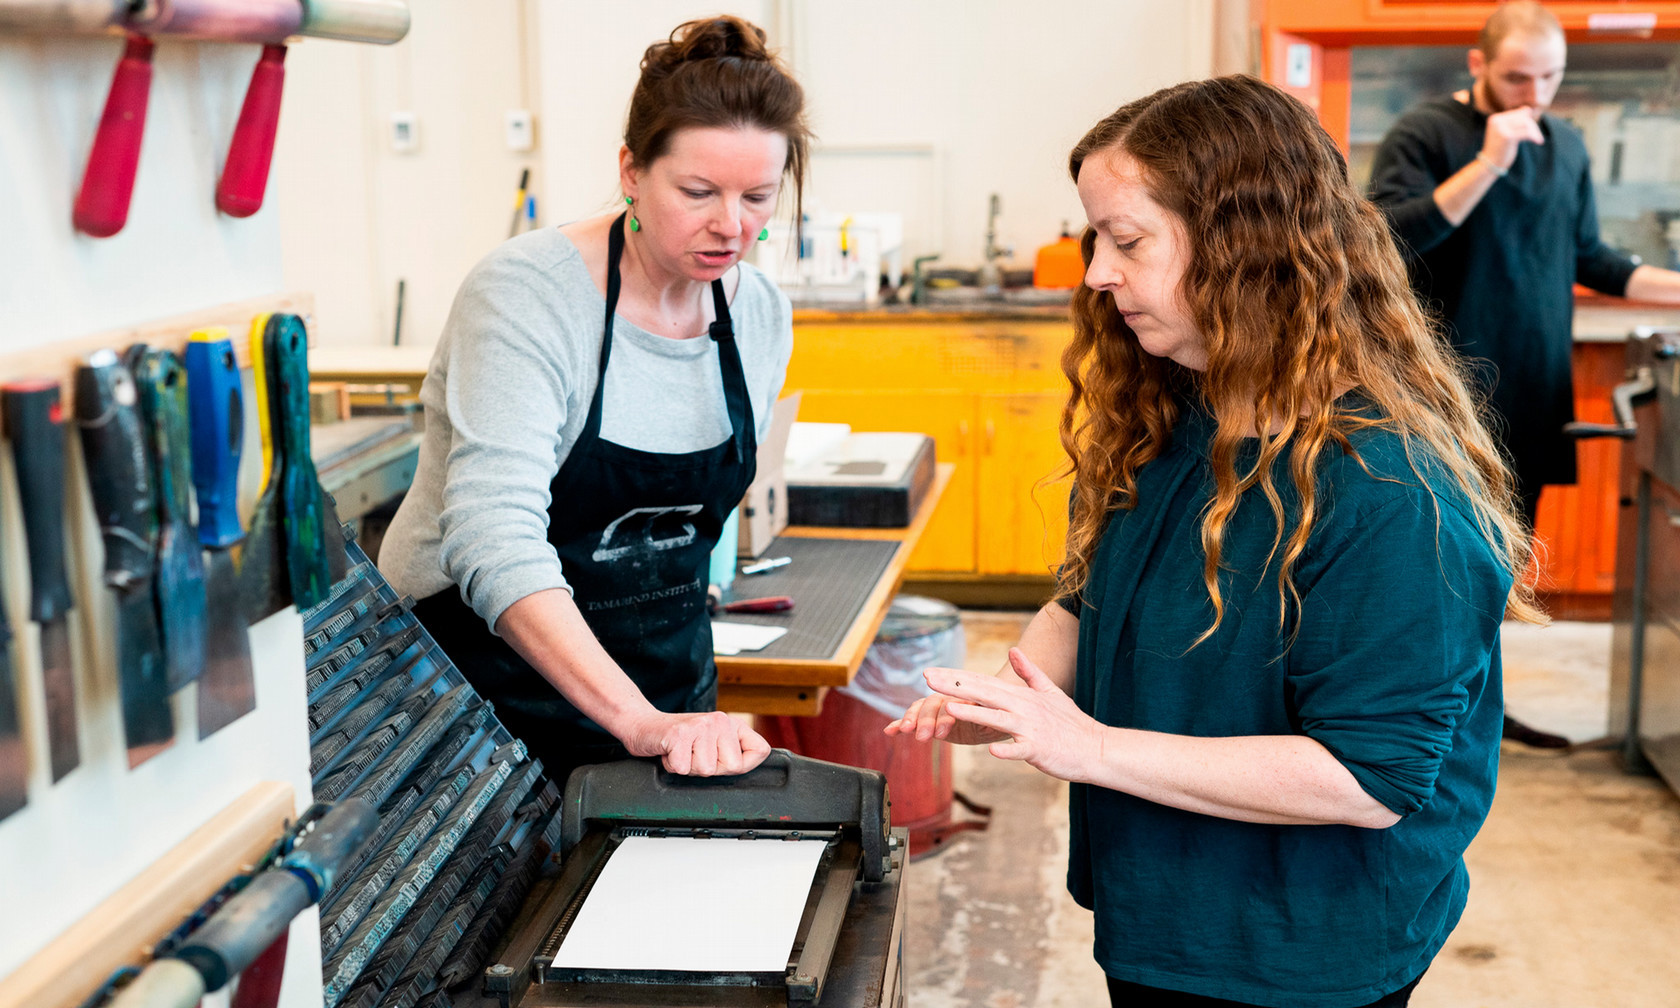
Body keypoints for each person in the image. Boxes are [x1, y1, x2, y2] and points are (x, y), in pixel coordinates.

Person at [887, 74, 1544, 1008]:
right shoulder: (1181, 409)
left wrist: (1088, 747)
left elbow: (1368, 778)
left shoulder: (1397, 494)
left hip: (1298, 949)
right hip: (1165, 905)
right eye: (1095, 240)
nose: (1096, 275)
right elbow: (1092, 593)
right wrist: (1014, 697)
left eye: (1128, 242)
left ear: (1245, 249)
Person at [378, 15, 809, 784]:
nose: (730, 226)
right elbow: (489, 534)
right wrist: (636, 720)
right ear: (632, 171)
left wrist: (664, 718)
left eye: (758, 197)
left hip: (668, 681)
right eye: (699, 191)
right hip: (482, 688)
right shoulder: (530, 294)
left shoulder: (759, 313)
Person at [1367, 1, 1680, 746]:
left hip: (1530, 384)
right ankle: (1403, 719)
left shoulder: (1565, 144)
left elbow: (1595, 261)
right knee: (1428, 563)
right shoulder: (1427, 133)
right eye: (1516, 77)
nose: (1533, 94)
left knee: (1499, 566)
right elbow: (1388, 239)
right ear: (1478, 66)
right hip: (1440, 391)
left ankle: (1477, 714)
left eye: (1549, 77)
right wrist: (1489, 162)